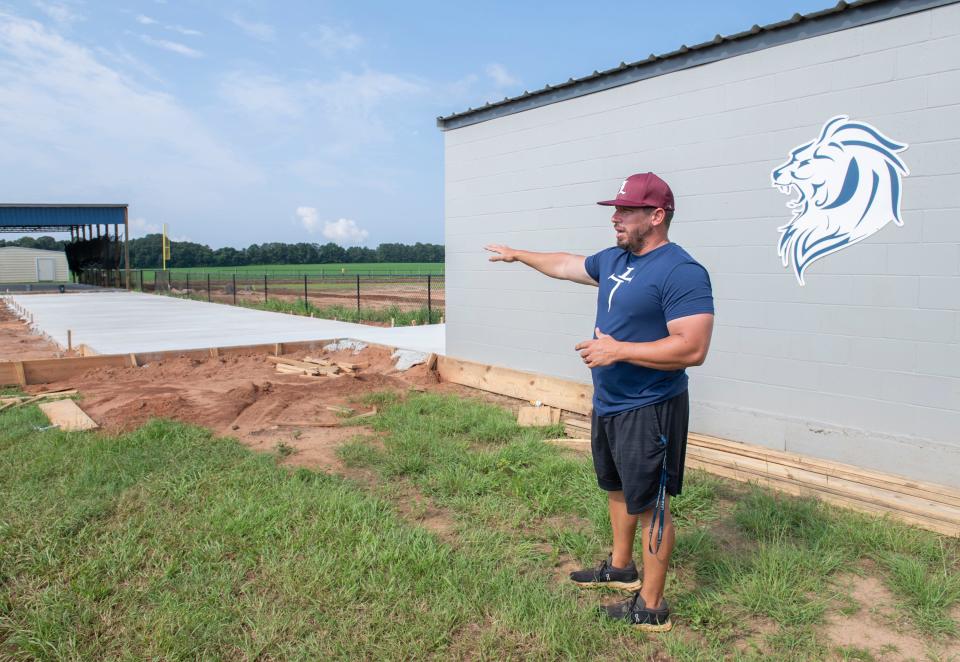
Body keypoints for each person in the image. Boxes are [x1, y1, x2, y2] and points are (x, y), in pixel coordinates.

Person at [484, 172, 714, 632]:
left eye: (626, 211)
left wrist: (619, 350)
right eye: (616, 210)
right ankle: (622, 567)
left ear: (657, 215)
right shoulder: (615, 259)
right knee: (616, 487)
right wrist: (519, 255)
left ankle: (651, 607)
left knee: (652, 503)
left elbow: (693, 348)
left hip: (650, 405)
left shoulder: (681, 271)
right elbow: (567, 264)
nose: (615, 218)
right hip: (610, 401)